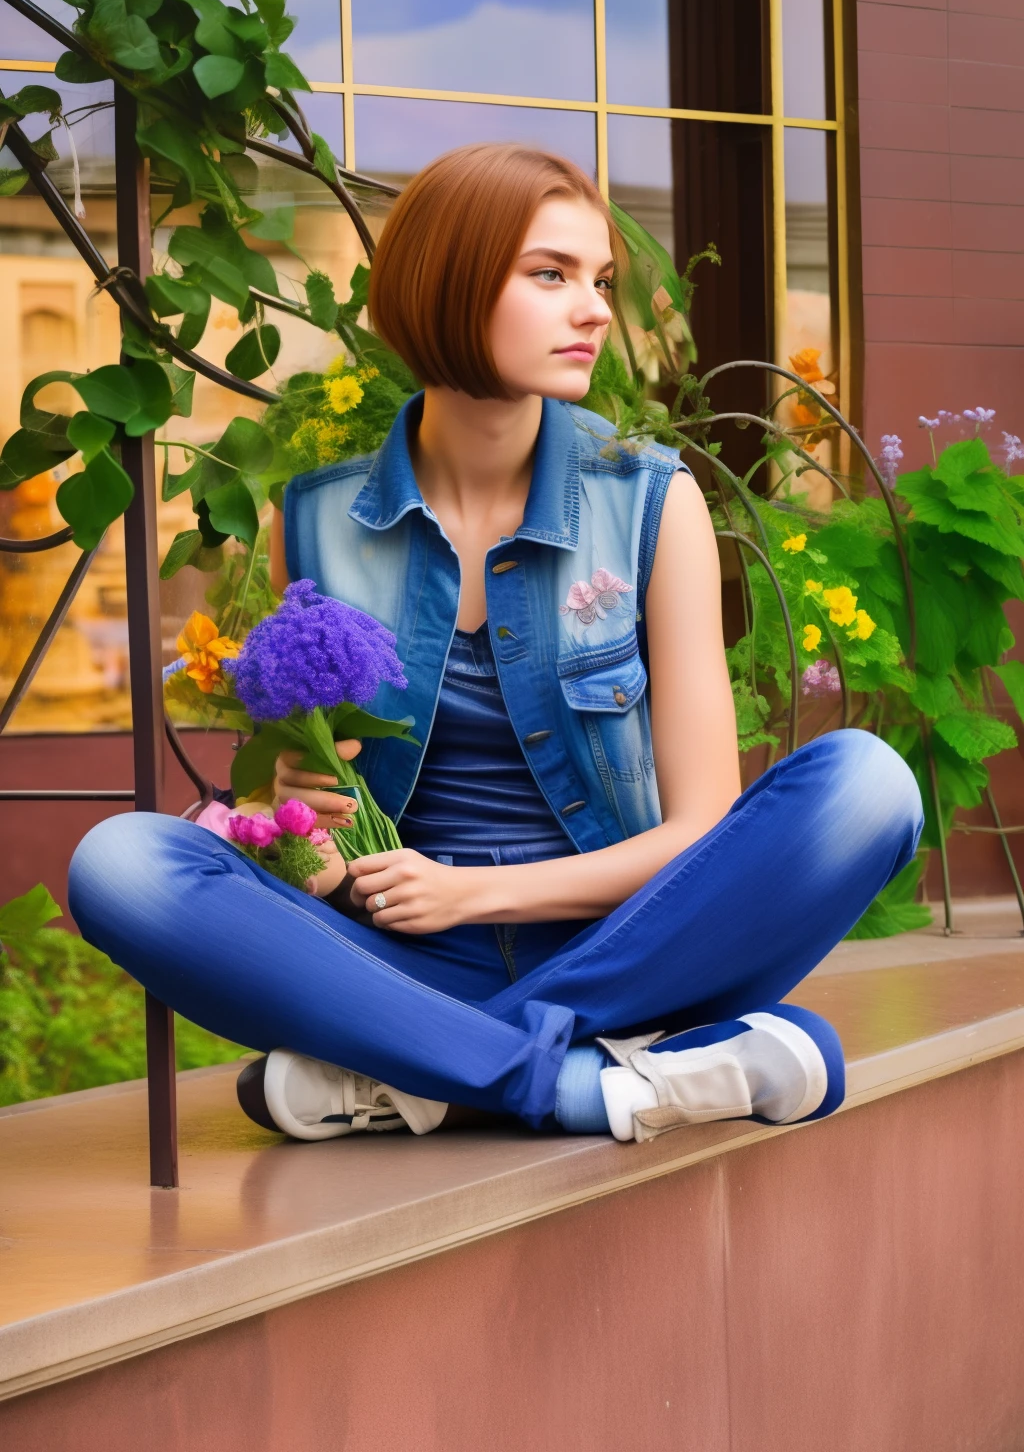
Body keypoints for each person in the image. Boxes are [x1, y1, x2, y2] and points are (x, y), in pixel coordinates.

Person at [69, 144, 923, 1145]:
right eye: (551, 275)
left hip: (629, 944)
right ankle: (584, 1082)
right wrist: (309, 836)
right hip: (403, 959)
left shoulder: (653, 501)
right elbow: (314, 824)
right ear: (450, 283)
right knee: (120, 862)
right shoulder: (316, 519)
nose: (596, 310)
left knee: (869, 786)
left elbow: (697, 829)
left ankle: (417, 1076)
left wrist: (475, 891)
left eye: (599, 280)